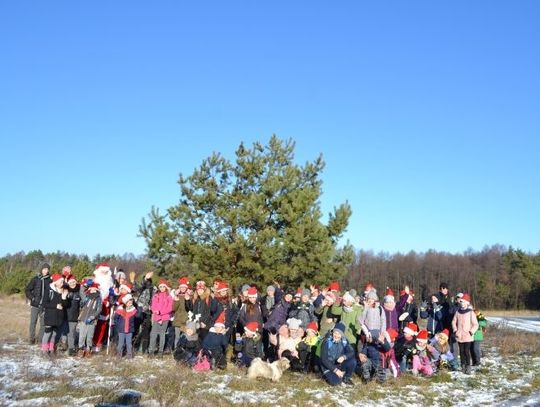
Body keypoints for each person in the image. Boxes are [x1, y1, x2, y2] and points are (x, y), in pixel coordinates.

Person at [319, 322, 357, 386]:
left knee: (353, 361)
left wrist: (344, 357)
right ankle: (326, 375)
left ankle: (346, 378)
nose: (336, 335)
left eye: (339, 334)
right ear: (332, 332)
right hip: (327, 366)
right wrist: (336, 370)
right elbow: (324, 359)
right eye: (335, 333)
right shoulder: (326, 341)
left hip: (339, 365)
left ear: (342, 335)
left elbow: (351, 352)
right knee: (336, 382)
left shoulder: (344, 341)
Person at [41, 273, 68, 356]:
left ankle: (51, 348)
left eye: (63, 282)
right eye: (60, 282)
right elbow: (44, 304)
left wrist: (64, 297)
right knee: (48, 333)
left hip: (58, 316)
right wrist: (55, 306)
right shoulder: (49, 290)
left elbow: (65, 305)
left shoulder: (62, 291)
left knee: (55, 333)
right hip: (49, 316)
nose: (62, 284)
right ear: (55, 282)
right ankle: (44, 350)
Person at [25, 261, 51, 345]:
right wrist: (32, 298)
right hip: (35, 305)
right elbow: (27, 290)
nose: (46, 270)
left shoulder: (50, 280)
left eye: (47, 269)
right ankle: (31, 339)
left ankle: (40, 340)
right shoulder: (35, 279)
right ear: (41, 269)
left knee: (43, 324)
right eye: (44, 269)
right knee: (33, 322)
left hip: (44, 306)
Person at [452, 293, 478, 375]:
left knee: (467, 351)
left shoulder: (471, 313)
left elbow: (475, 324)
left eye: (463, 302)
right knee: (461, 352)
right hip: (459, 335)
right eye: (461, 302)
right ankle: (462, 366)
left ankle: (468, 366)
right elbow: (453, 322)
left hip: (468, 336)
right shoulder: (458, 312)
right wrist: (455, 330)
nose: (461, 303)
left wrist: (471, 331)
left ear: (467, 303)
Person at [148, 279, 173, 357]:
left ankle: (160, 352)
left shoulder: (169, 296)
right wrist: (158, 317)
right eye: (160, 287)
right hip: (156, 318)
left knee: (162, 334)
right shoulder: (156, 295)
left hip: (165, 318)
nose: (162, 288)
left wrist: (161, 314)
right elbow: (153, 307)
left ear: (166, 287)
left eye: (163, 286)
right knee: (154, 334)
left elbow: (170, 308)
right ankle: (151, 351)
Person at [78, 279, 102, 357]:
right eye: (91, 289)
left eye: (94, 289)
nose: (92, 291)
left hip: (92, 320)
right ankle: (81, 349)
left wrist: (93, 317)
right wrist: (85, 285)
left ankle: (89, 349)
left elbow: (99, 309)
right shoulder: (87, 296)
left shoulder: (98, 299)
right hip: (83, 318)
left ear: (97, 290)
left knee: (89, 336)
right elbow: (81, 291)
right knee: (82, 335)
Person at [114, 294, 141, 358]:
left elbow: (138, 316)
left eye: (131, 303)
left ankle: (129, 355)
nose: (130, 304)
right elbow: (116, 318)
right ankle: (119, 355)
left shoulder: (133, 310)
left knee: (129, 344)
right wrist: (118, 325)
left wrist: (137, 309)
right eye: (129, 302)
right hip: (121, 329)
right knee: (121, 343)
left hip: (129, 329)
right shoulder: (120, 309)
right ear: (125, 302)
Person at [64, 275, 82, 356]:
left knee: (71, 332)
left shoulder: (80, 291)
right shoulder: (65, 290)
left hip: (74, 315)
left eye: (74, 282)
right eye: (70, 282)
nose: (72, 284)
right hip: (64, 314)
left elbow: (82, 304)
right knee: (64, 332)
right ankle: (64, 345)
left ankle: (71, 348)